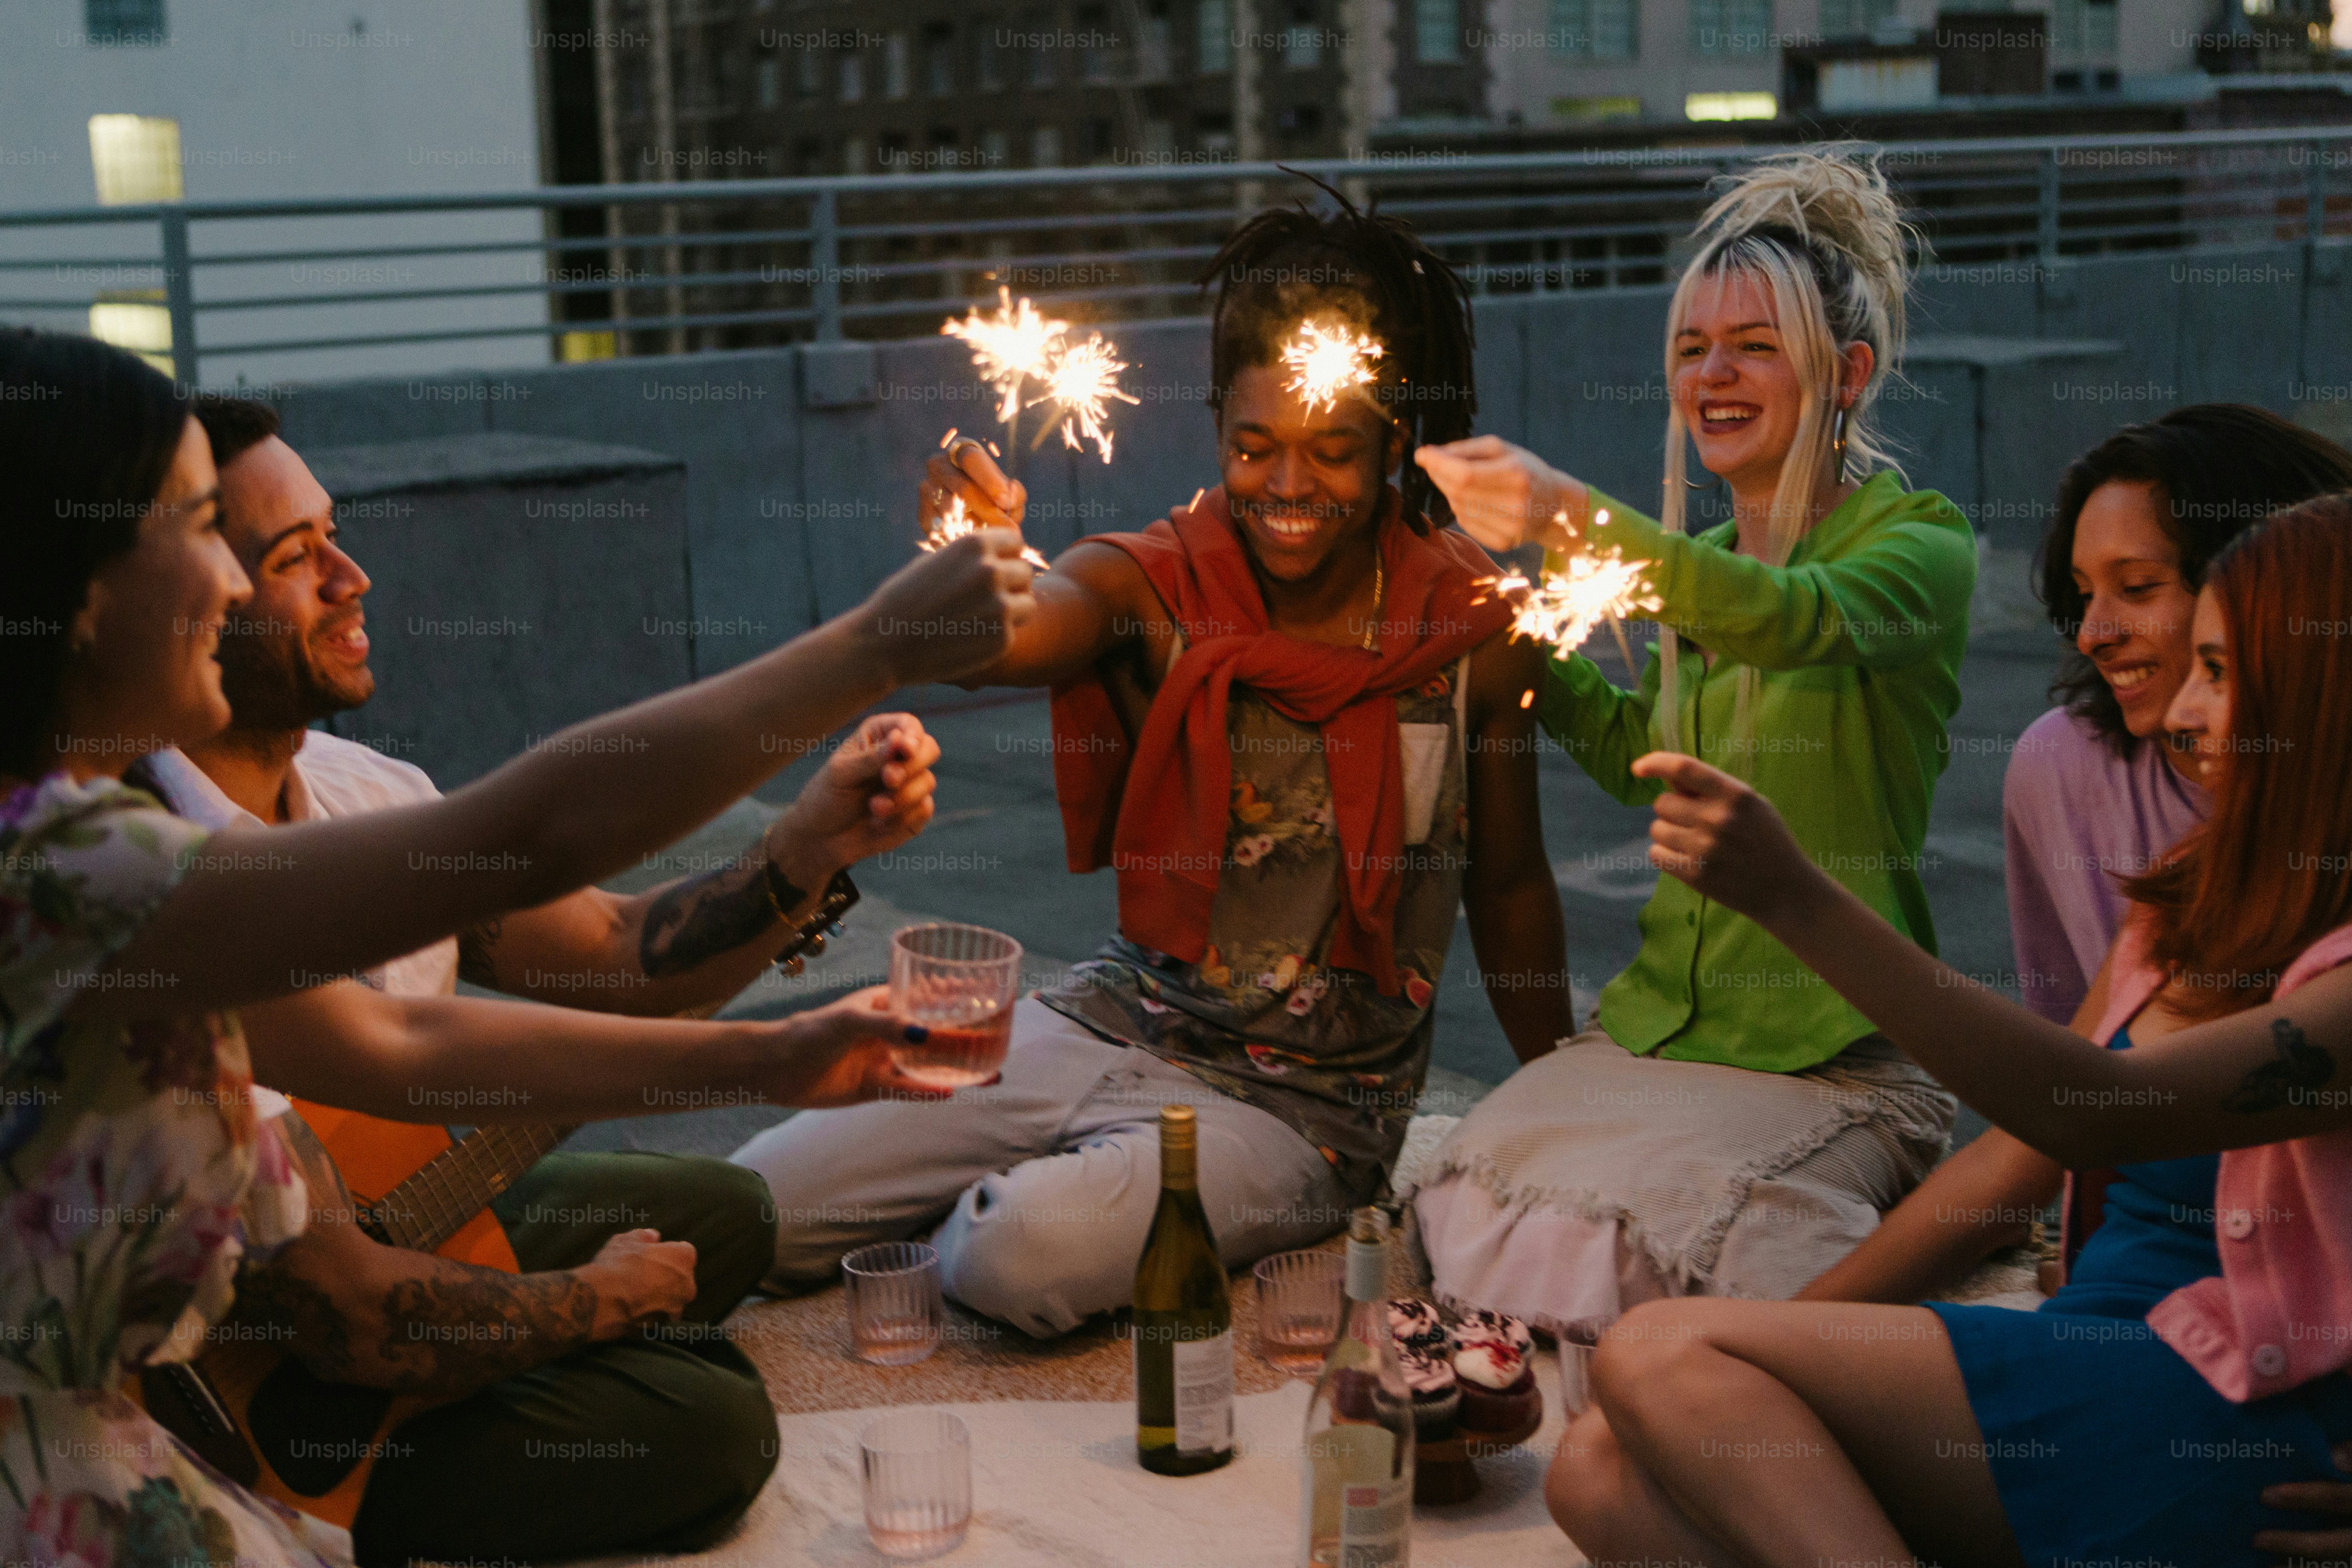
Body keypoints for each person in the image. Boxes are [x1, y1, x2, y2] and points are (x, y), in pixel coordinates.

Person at [0, 327, 1029, 1562]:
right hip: (69, 1482)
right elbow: (536, 831)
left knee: (725, 1215)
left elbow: (400, 1035)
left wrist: (778, 1051)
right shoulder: (62, 870)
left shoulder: (114, 844)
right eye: (196, 527)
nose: (231, 582)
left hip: (108, 1437)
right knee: (702, 1422)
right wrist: (877, 642)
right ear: (76, 591)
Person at [731, 186, 1573, 1338]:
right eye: (1252, 446)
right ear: (1218, 424)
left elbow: (1513, 884)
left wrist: (1561, 1098)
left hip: (1305, 1113)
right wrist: (979, 566)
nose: (1286, 487)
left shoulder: (1477, 623)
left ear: (1393, 440)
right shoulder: (1158, 577)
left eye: (1332, 452)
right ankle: (1007, 1170)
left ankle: (1018, 1196)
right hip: (1108, 1021)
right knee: (750, 1204)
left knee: (1018, 1249)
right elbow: (1027, 624)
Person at [1548, 493, 2352, 1568]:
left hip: (2228, 1404)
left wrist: (1797, 899)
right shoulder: (2186, 902)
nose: (2178, 713)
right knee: (1601, 1467)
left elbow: (2099, 1111)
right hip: (2100, 1354)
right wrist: (1789, 1339)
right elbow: (2018, 1161)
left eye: (2219, 671)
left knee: (1654, 1356)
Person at [1400, 146, 1969, 1332]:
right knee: (1459, 1207)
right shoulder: (1697, 569)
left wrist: (1566, 513)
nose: (1713, 373)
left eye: (1756, 345)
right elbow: (1637, 756)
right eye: (1690, 347)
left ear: (1847, 372)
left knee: (1674, 1247)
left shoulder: (1922, 548)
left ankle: (1920, 1259)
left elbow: (1794, 623)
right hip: (1662, 1025)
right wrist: (1517, 631)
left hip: (1839, 1049)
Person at [1798, 404, 2352, 1310]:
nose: (2093, 633)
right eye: (2084, 593)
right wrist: (1795, 1331)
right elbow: (2044, 1116)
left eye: (2138, 587)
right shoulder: (2147, 871)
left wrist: (1795, 899)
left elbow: (2077, 1104)